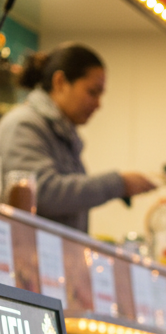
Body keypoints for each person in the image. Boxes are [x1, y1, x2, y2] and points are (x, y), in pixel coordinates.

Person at [0, 43, 155, 232]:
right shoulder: (24, 124)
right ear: (60, 82)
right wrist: (118, 183)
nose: (98, 104)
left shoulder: (60, 134)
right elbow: (41, 193)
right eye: (92, 92)